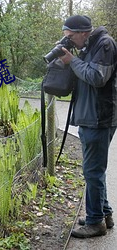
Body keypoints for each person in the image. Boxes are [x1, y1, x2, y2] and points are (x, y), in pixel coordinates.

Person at [59, 15, 117, 238]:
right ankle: (104, 214)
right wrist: (69, 59)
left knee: (92, 171)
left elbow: (96, 77)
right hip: (90, 117)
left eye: (71, 37)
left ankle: (95, 223)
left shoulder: (105, 44)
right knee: (94, 171)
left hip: (99, 118)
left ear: (83, 32)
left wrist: (72, 61)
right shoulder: (88, 46)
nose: (70, 41)